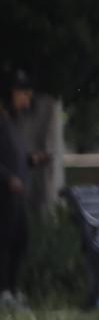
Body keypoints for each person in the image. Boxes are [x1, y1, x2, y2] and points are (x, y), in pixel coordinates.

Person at [0, 71, 45, 306]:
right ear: (12, 93)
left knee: (20, 240)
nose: (27, 100)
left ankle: (13, 290)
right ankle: (4, 291)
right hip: (4, 193)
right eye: (24, 94)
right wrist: (8, 178)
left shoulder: (13, 120)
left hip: (17, 195)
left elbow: (12, 155)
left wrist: (31, 160)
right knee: (5, 243)